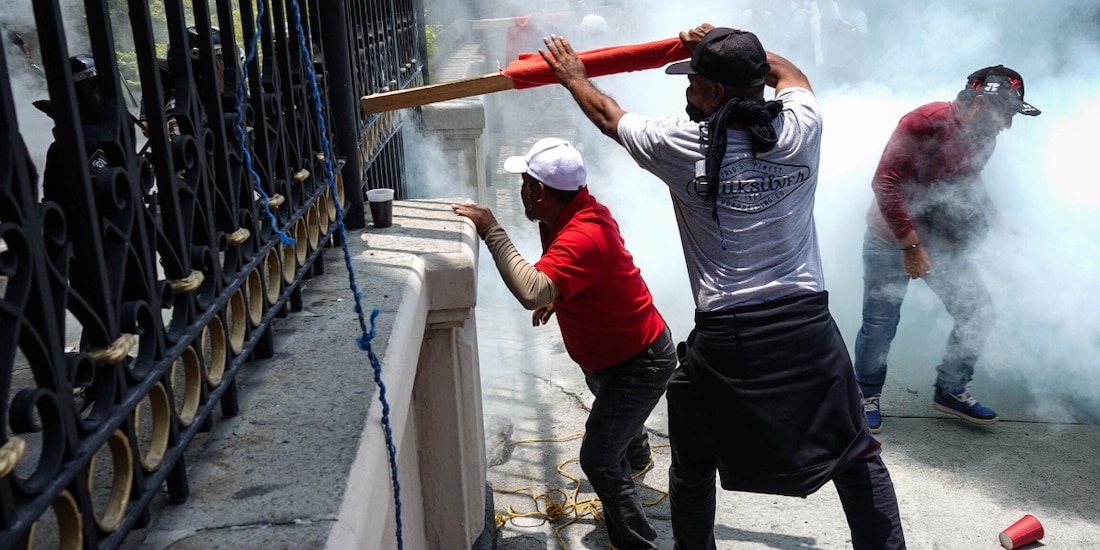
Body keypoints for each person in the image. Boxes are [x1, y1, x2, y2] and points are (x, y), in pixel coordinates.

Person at [538, 24, 905, 549]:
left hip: (730, 332)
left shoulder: (681, 143)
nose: (687, 93)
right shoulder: (801, 127)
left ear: (714, 93)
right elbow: (791, 74)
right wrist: (732, 47)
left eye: (694, 82)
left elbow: (606, 116)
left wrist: (575, 78)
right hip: (806, 327)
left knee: (693, 462)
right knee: (855, 453)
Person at [451, 137, 676, 550]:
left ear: (538, 190)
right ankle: (638, 456)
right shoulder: (568, 213)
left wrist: (491, 229)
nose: (521, 189)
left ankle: (638, 543)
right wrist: (561, 295)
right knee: (614, 415)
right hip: (611, 356)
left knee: (599, 458)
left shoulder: (584, 233)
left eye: (524, 182)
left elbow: (531, 290)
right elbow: (571, 280)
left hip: (638, 362)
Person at [854, 65, 1040, 433]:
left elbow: (967, 178)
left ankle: (951, 388)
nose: (1008, 124)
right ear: (982, 104)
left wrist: (998, 221)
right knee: (880, 324)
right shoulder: (924, 121)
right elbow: (884, 183)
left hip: (938, 238)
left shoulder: (986, 136)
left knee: (977, 311)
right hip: (890, 237)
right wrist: (910, 245)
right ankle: (865, 396)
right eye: (1006, 113)